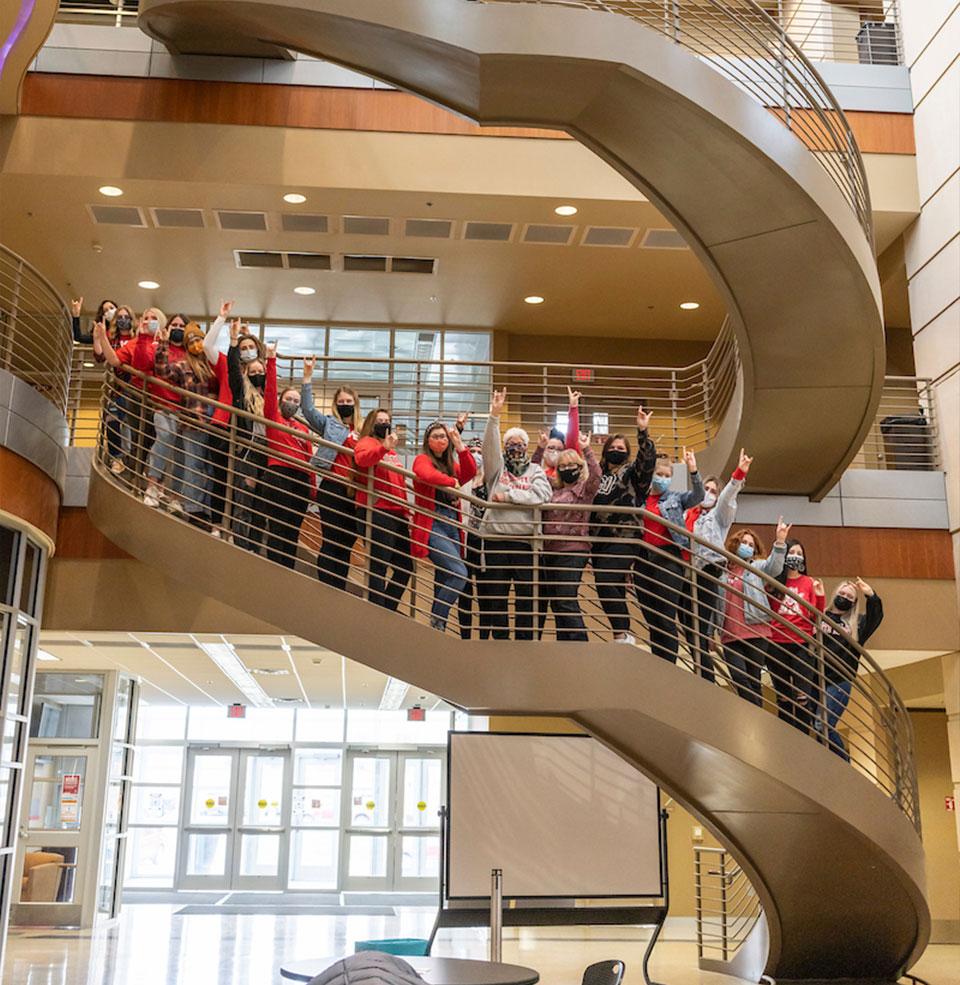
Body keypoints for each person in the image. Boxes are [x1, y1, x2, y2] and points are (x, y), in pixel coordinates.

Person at [479, 388, 552, 641]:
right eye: (510, 444)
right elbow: (490, 448)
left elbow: (541, 496)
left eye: (520, 444)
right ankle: (501, 642)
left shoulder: (536, 471)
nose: (515, 447)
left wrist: (508, 497)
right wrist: (494, 415)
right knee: (495, 598)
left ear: (526, 447)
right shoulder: (496, 470)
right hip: (496, 541)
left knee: (527, 600)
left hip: (527, 544)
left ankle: (524, 644)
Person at [589, 406, 657, 644]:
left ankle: (621, 635)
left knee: (605, 579)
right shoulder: (595, 473)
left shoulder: (631, 473)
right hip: (599, 541)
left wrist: (643, 432)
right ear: (605, 450)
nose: (616, 451)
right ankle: (622, 634)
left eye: (621, 449)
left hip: (625, 537)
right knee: (608, 586)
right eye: (612, 448)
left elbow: (647, 463)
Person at [686, 449, 754, 681]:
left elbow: (727, 500)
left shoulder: (717, 516)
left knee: (698, 634)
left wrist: (737, 475)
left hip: (706, 571)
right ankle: (701, 679)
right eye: (706, 489)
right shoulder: (687, 513)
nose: (710, 493)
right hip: (685, 574)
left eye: (713, 491)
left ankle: (707, 682)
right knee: (689, 632)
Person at [634, 448, 704, 663]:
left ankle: (669, 665)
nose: (663, 479)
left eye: (667, 476)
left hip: (668, 558)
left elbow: (698, 496)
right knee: (651, 618)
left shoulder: (675, 498)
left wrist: (693, 472)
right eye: (659, 474)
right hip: (643, 559)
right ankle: (658, 664)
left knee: (665, 617)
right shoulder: (639, 499)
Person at [300, 357, 360, 590]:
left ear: (355, 403)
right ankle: (326, 588)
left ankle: (340, 590)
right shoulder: (330, 424)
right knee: (332, 540)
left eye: (349, 400)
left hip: (355, 492)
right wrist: (307, 376)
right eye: (342, 400)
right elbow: (307, 410)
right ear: (336, 404)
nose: (346, 403)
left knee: (347, 544)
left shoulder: (365, 430)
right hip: (333, 488)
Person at [412, 421, 477, 632]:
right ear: (427, 441)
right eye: (436, 436)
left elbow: (469, 471)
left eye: (443, 437)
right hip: (433, 522)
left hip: (451, 523)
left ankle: (437, 631)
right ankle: (437, 620)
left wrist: (460, 446)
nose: (440, 440)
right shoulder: (423, 459)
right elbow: (425, 474)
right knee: (459, 573)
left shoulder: (451, 464)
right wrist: (452, 483)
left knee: (444, 578)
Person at [152, 322, 218, 524]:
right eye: (191, 342)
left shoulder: (213, 362)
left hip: (216, 423)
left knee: (210, 468)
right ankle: (193, 509)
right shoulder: (184, 365)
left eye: (199, 339)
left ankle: (206, 509)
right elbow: (163, 371)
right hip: (194, 421)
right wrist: (163, 343)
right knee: (193, 465)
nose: (196, 344)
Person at [95, 307, 167, 489]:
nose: (149, 320)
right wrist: (103, 337)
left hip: (162, 399)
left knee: (161, 442)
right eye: (146, 317)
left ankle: (156, 484)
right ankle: (134, 480)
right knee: (140, 439)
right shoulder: (134, 343)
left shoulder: (166, 342)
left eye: (153, 318)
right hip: (138, 398)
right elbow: (114, 360)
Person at [719, 518, 790, 704]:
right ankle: (755, 718)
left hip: (756, 631)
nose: (747, 546)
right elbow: (714, 603)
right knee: (739, 678)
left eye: (751, 544)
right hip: (729, 634)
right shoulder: (721, 570)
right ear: (735, 543)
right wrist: (711, 631)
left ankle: (755, 724)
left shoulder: (756, 566)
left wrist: (780, 542)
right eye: (743, 542)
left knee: (753, 680)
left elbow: (773, 568)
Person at [540, 431, 601, 641]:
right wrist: (540, 448)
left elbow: (596, 474)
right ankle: (565, 647)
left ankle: (580, 646)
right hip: (549, 552)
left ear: (579, 467)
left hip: (573, 551)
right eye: (562, 466)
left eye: (571, 465)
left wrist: (587, 449)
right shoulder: (551, 489)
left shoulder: (584, 489)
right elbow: (532, 472)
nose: (567, 469)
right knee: (557, 603)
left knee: (566, 599)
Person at [354, 409, 413, 610]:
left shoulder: (393, 451)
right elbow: (362, 460)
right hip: (377, 510)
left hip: (397, 513)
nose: (384, 424)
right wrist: (383, 448)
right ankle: (377, 611)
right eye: (380, 421)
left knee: (405, 567)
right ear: (372, 423)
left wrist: (406, 511)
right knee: (378, 565)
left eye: (387, 421)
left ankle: (387, 609)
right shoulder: (366, 442)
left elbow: (399, 483)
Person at [262, 344, 314, 567]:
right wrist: (271, 361)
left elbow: (309, 459)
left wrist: (312, 489)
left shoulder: (303, 429)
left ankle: (289, 569)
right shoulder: (273, 417)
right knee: (278, 525)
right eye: (288, 399)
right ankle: (276, 569)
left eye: (296, 401)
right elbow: (270, 392)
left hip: (300, 479)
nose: (291, 403)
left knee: (294, 530)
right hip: (279, 473)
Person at [768, 539, 826, 734]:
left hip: (802, 642)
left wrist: (820, 596)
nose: (795, 556)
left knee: (802, 696)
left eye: (799, 553)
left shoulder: (809, 582)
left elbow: (815, 617)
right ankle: (786, 738)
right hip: (776, 642)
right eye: (791, 552)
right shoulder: (775, 581)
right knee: (783, 696)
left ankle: (802, 739)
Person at [822, 578, 883, 760]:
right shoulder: (821, 615)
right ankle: (829, 766)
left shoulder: (858, 623)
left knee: (823, 723)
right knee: (817, 728)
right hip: (815, 679)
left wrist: (870, 594)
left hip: (839, 681)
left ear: (854, 602)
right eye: (841, 594)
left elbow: (876, 615)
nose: (844, 598)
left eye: (849, 596)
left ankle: (843, 763)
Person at [227, 319, 268, 553]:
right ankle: (241, 546)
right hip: (250, 450)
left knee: (262, 504)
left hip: (269, 451)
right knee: (244, 498)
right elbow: (234, 369)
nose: (257, 374)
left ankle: (255, 547)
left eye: (261, 371)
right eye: (253, 372)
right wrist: (235, 341)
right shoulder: (243, 391)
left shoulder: (271, 396)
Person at [143, 313, 189, 509]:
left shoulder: (191, 352)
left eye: (181, 325)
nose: (177, 328)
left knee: (182, 454)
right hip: (163, 405)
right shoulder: (159, 346)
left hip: (184, 411)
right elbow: (146, 366)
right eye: (174, 325)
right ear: (168, 327)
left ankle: (174, 496)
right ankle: (152, 484)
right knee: (165, 436)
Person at [457, 436, 489, 640]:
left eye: (480, 452)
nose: (476, 455)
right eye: (473, 452)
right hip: (465, 540)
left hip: (485, 543)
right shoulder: (462, 478)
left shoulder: (491, 479)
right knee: (465, 592)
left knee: (486, 595)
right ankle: (465, 638)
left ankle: (484, 639)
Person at [533, 387, 581, 479]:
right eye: (551, 448)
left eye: (559, 449)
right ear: (543, 450)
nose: (555, 452)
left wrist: (573, 408)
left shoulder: (566, 474)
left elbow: (572, 439)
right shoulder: (535, 470)